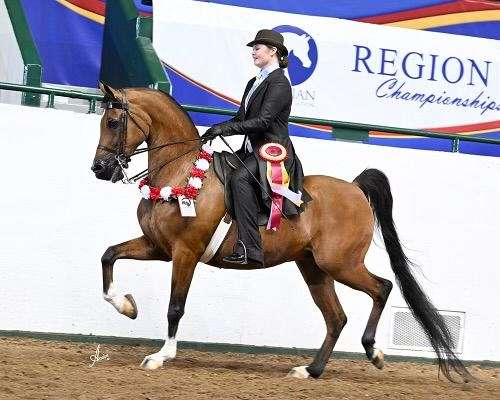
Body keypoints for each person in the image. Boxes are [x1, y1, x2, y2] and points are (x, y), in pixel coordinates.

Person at [202, 29, 309, 267]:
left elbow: (264, 121)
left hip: (272, 151)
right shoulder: (255, 81)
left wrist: (226, 130)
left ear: (273, 52)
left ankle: (251, 248)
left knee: (240, 178)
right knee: (221, 169)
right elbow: (242, 117)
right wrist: (217, 127)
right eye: (253, 48)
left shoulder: (280, 82)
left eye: (257, 48)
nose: (253, 52)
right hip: (252, 150)